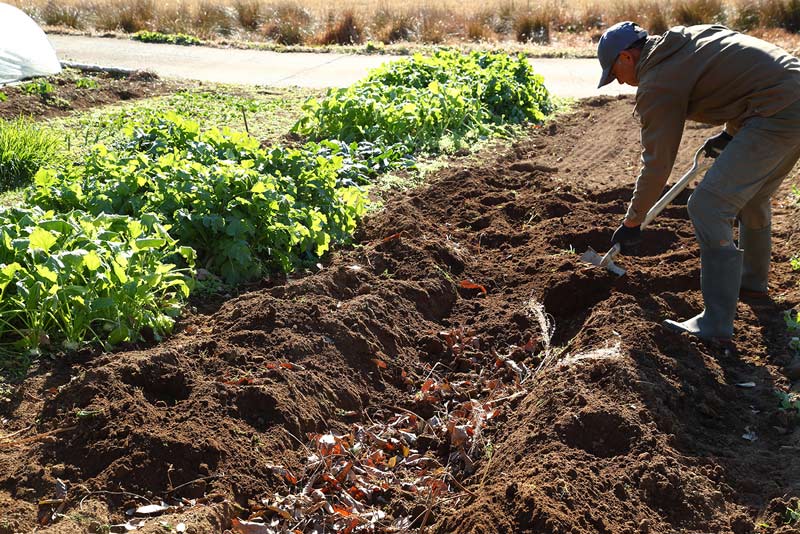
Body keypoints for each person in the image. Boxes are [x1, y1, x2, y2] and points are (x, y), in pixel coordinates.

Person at [597, 21, 800, 344]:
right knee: (752, 195)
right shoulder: (686, 39)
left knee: (707, 205)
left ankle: (715, 322)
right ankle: (751, 282)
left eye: (614, 73)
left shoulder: (657, 81)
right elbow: (741, 72)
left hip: (775, 110)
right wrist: (730, 134)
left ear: (626, 57)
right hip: (790, 93)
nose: (618, 82)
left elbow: (657, 163)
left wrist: (633, 221)